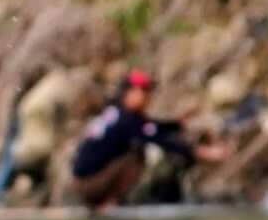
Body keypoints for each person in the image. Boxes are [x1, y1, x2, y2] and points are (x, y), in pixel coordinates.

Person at [69, 67, 223, 211]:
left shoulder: (116, 113)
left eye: (148, 91)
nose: (148, 96)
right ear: (129, 92)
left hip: (81, 182)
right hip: (89, 184)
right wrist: (203, 152)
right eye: (144, 91)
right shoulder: (126, 120)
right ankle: (106, 203)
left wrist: (178, 123)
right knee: (137, 154)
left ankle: (100, 203)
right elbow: (161, 140)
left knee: (135, 148)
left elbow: (152, 127)